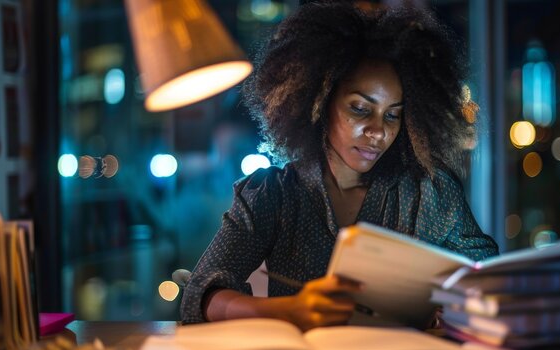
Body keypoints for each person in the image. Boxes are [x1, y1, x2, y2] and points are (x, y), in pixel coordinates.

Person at [181, 1, 498, 331]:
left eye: (393, 114)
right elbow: (200, 295)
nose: (378, 131)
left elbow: (492, 283)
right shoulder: (272, 195)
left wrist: (457, 305)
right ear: (319, 103)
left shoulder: (430, 192)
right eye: (361, 109)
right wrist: (288, 310)